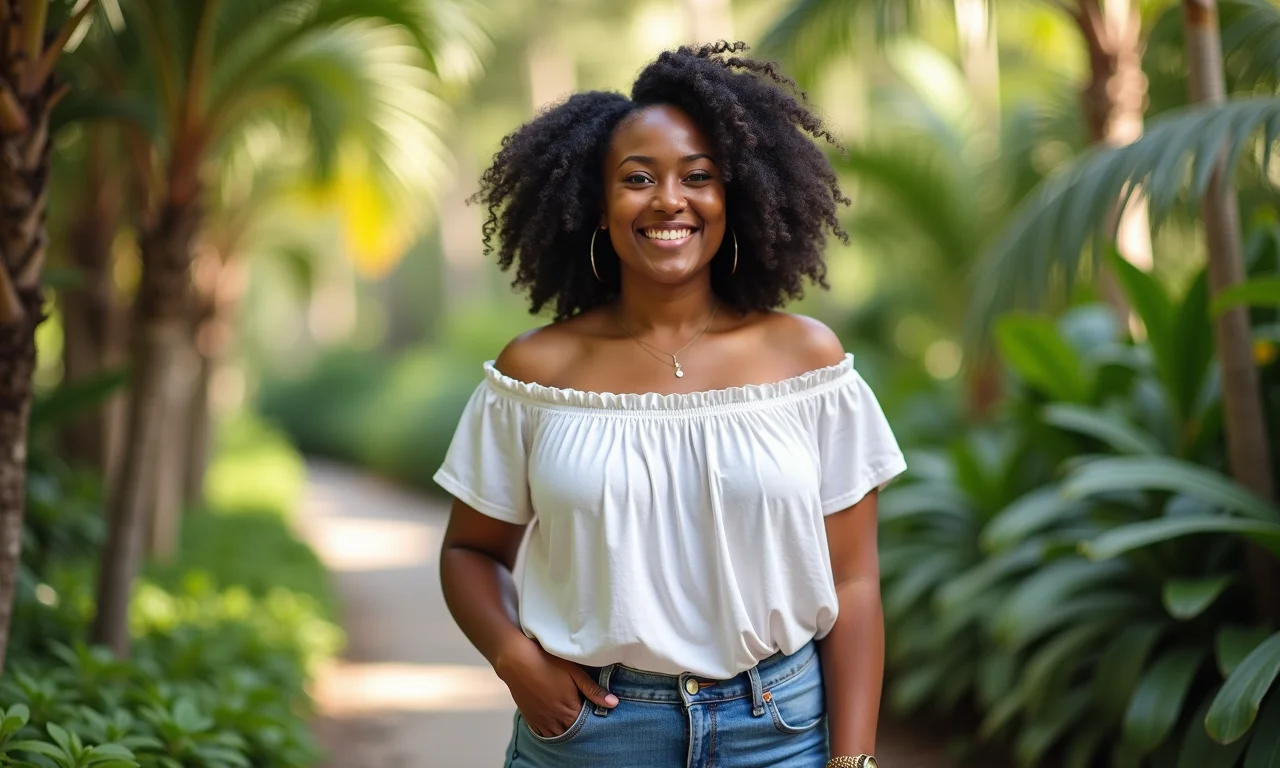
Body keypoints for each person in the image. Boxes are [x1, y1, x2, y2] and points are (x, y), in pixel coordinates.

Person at [435, 41, 907, 768]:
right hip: (595, 736)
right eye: (637, 178)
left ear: (733, 197)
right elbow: (470, 551)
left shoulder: (806, 362)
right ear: (598, 205)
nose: (668, 199)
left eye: (698, 176)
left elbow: (854, 582)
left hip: (779, 734)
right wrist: (513, 657)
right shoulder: (537, 373)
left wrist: (852, 762)